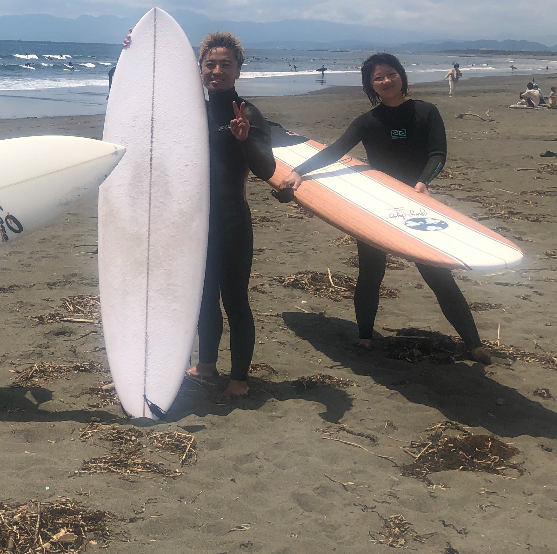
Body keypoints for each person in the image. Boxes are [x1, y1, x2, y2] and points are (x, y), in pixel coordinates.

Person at [281, 53, 490, 363]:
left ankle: (474, 344)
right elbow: (336, 151)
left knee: (438, 274)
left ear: (401, 76)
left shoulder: (425, 112)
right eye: (378, 78)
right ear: (371, 85)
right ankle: (365, 337)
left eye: (390, 74)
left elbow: (438, 154)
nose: (386, 81)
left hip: (417, 204)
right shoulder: (368, 121)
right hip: (378, 204)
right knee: (371, 272)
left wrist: (422, 183)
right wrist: (300, 170)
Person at [184, 32, 276, 398]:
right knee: (204, 297)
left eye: (225, 65)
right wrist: (135, 46)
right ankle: (206, 364)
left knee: (234, 298)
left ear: (238, 71)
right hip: (196, 224)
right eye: (210, 64)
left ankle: (239, 378)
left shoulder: (247, 112)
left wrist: (245, 139)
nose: (217, 71)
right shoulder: (190, 110)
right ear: (200, 68)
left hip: (230, 220)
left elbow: (266, 168)